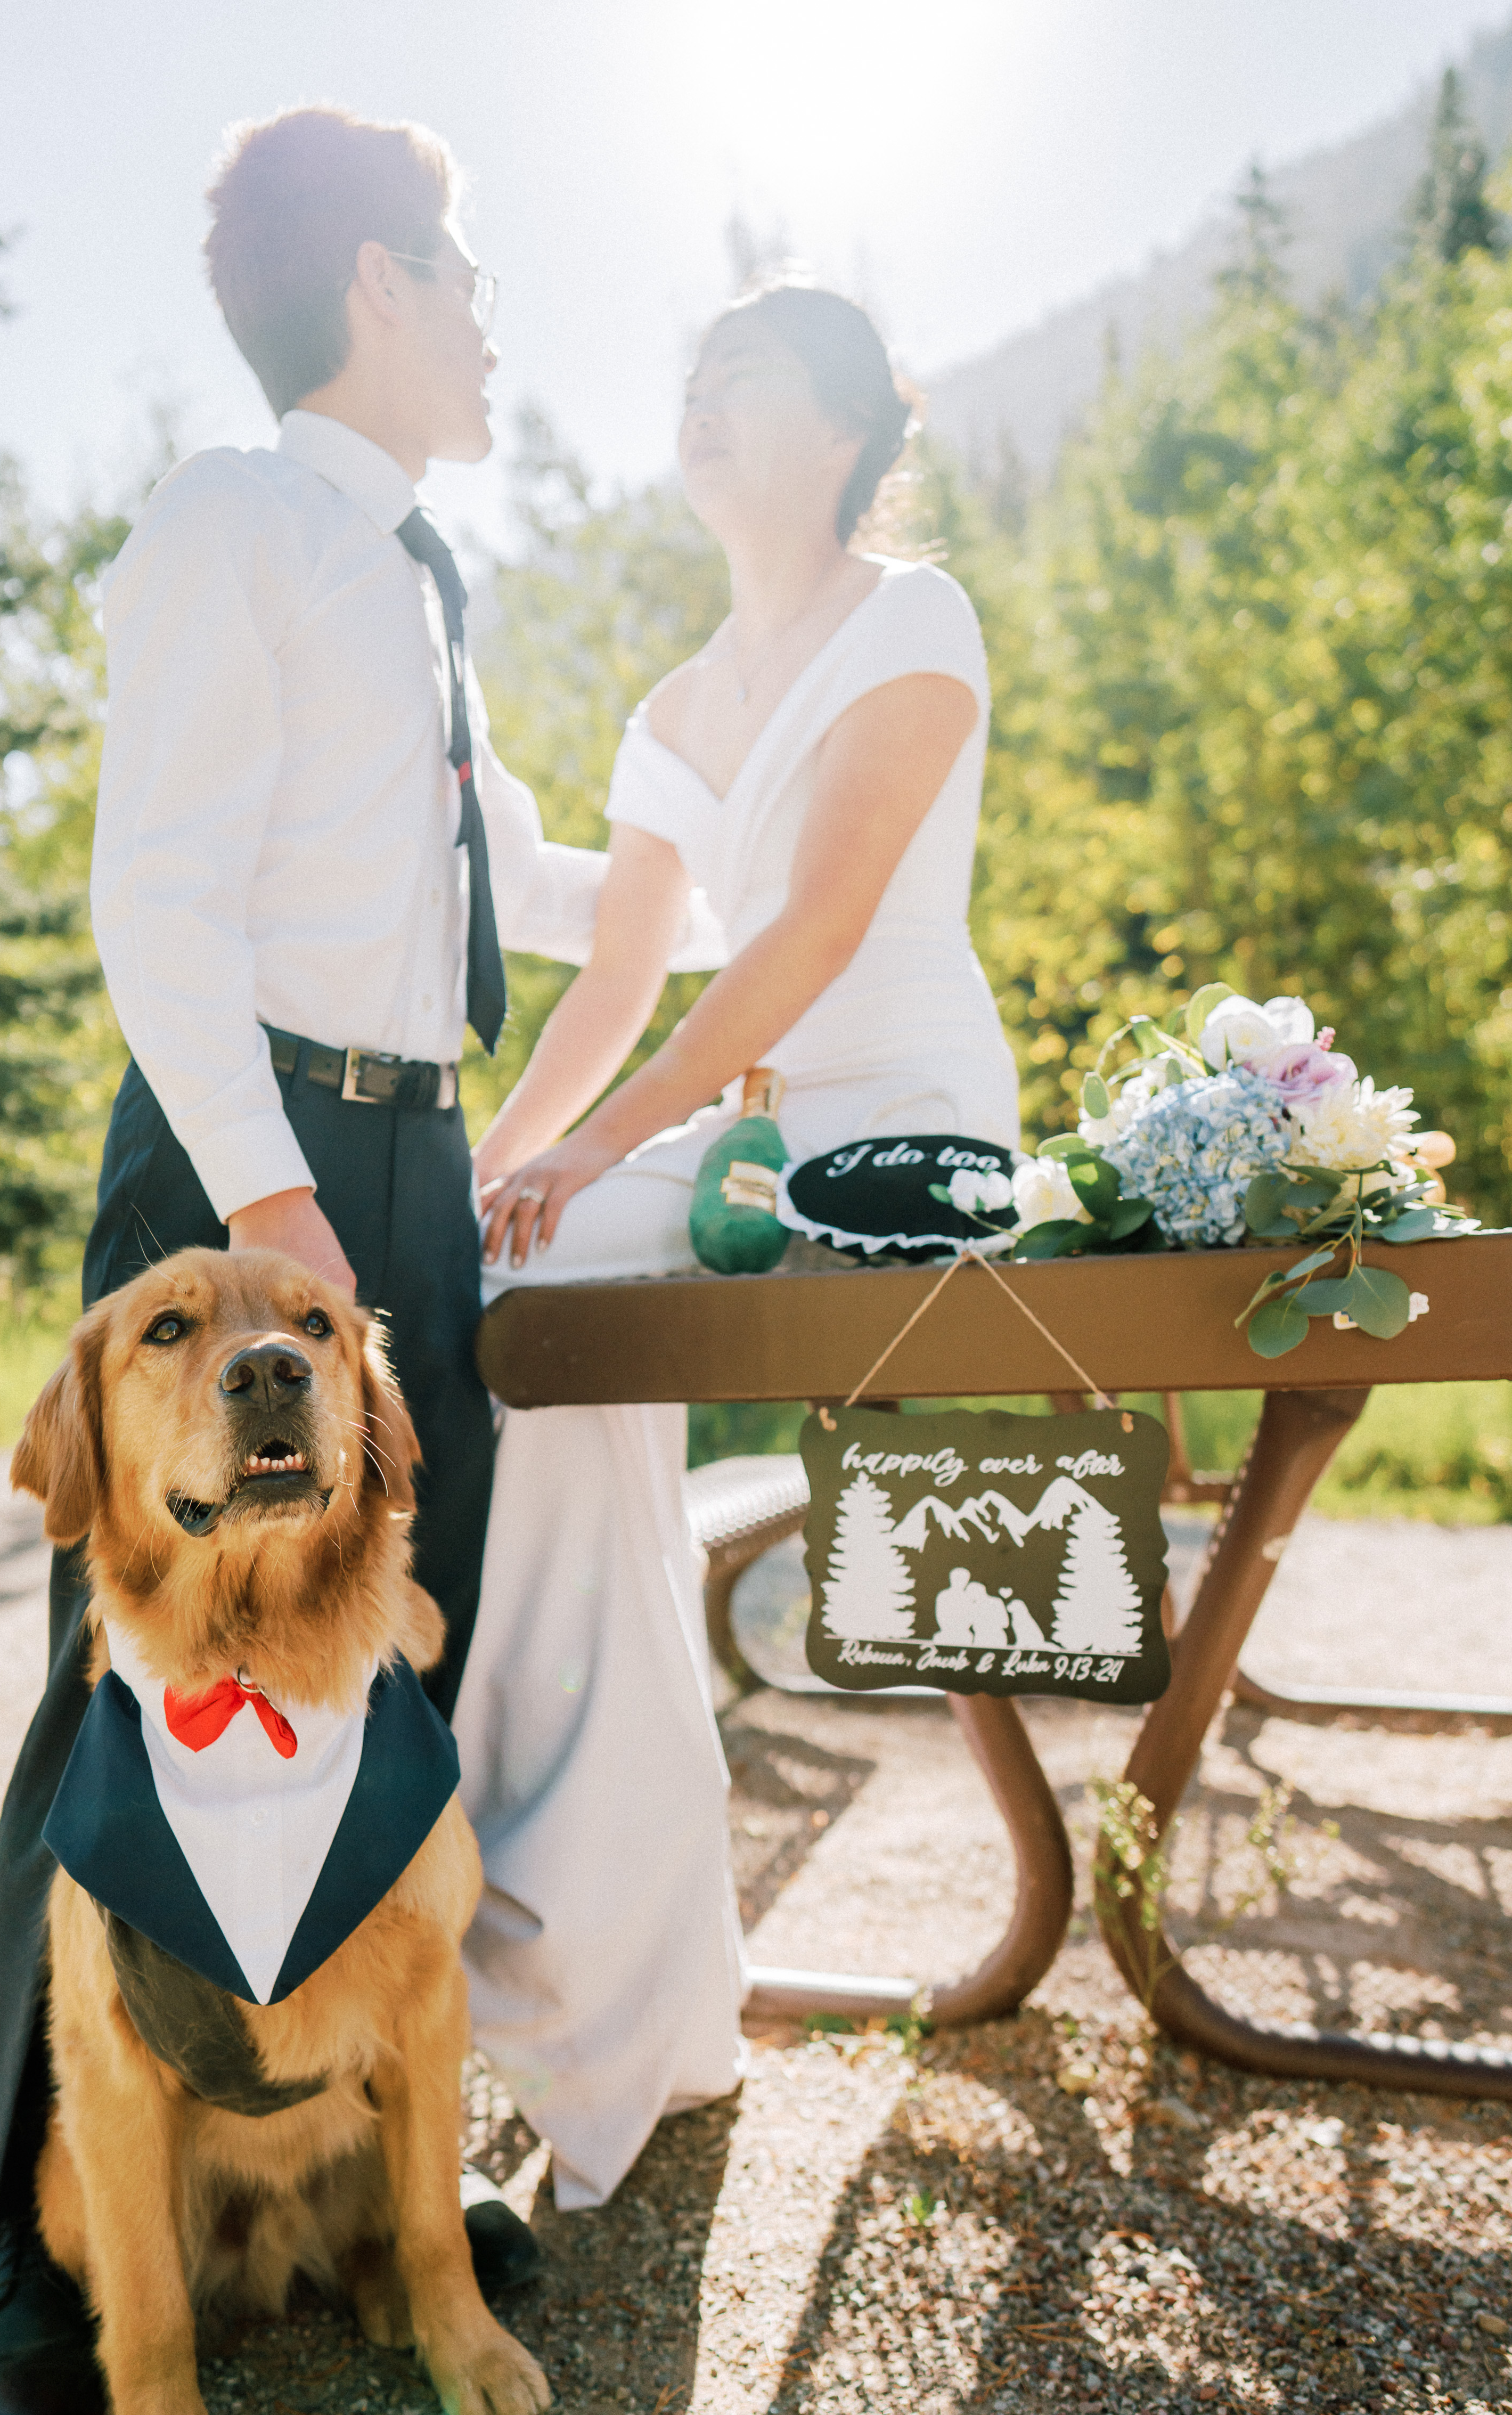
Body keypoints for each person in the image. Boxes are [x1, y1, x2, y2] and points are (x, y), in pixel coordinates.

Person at [0, 103, 607, 2415]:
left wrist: (808, 862)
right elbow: (158, 899)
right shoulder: (230, 520)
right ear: (382, 292)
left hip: (412, 1178)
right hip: (255, 1187)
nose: (499, 323)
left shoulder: (423, 587)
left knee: (380, 1683)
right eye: (474, 277)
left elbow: (529, 866)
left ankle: (353, 2170)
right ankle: (33, 2271)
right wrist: (278, 1209)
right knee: (124, 1702)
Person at [454, 283, 1020, 2213]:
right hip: (749, 1137)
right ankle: (592, 1940)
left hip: (909, 1130)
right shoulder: (672, 703)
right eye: (686, 378)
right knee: (494, 1298)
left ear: (854, 428)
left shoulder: (913, 621)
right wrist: (496, 1175)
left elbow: (814, 937)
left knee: (578, 1242)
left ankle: (599, 1939)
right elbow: (613, 988)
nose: (700, 406)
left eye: (748, 380)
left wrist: (607, 1145)